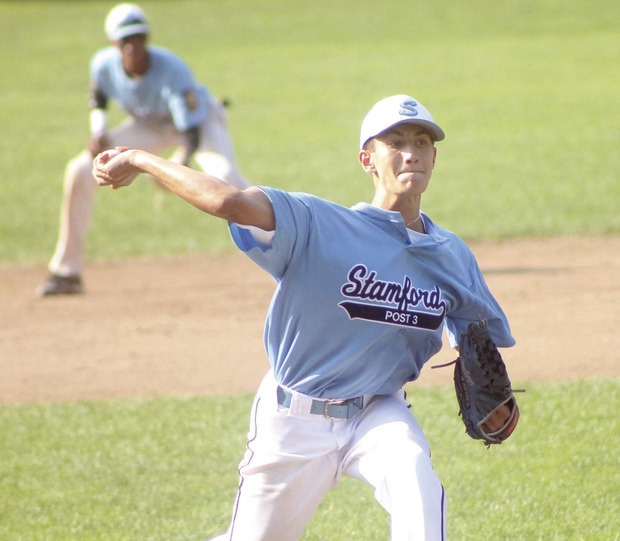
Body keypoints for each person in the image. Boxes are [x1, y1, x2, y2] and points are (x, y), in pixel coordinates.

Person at [93, 94, 516, 540]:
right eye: (394, 142)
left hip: (378, 412)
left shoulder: (452, 255)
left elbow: (475, 336)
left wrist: (487, 380)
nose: (411, 152)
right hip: (293, 420)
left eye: (422, 141)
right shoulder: (315, 223)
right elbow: (227, 202)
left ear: (434, 156)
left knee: (416, 480)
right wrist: (140, 158)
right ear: (367, 160)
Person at [37, 3, 249, 296]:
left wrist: (176, 166)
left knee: (226, 176)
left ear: (147, 38)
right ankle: (67, 272)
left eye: (139, 38)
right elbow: (98, 97)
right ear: (114, 43)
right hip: (148, 124)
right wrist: (98, 132)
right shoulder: (102, 64)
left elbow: (190, 133)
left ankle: (281, 239)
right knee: (80, 169)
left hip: (199, 123)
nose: (133, 46)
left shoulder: (171, 68)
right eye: (126, 40)